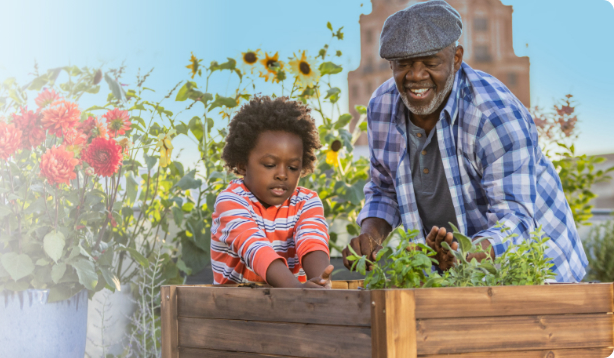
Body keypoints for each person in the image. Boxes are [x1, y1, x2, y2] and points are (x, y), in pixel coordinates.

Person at [342, 0, 587, 282]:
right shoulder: (382, 106)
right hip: (453, 272)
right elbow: (384, 189)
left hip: (538, 271)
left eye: (431, 63)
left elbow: (515, 221)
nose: (416, 76)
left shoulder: (493, 113)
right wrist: (370, 236)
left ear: (456, 58)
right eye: (403, 64)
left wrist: (464, 254)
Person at [211, 95, 335, 288]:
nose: (282, 175)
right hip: (235, 311)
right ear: (243, 165)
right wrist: (297, 292)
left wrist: (320, 281)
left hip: (290, 310)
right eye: (270, 165)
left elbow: (312, 240)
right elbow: (255, 249)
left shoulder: (306, 202)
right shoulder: (231, 201)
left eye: (293, 167)